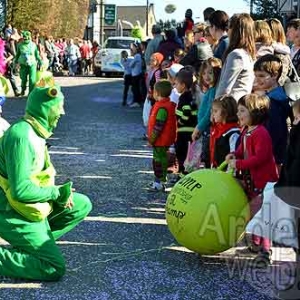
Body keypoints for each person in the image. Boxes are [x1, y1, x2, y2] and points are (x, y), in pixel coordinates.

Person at [0, 83, 92, 281]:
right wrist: (56, 193)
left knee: (81, 204)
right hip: (9, 209)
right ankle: (32, 248)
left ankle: (30, 245)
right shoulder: (21, 136)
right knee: (53, 267)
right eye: (57, 109)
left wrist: (60, 193)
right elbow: (21, 191)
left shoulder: (34, 131)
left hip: (26, 205)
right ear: (43, 109)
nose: (61, 114)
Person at [226, 93, 278, 267]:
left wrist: (238, 163)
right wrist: (234, 155)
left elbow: (261, 158)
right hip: (252, 181)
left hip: (264, 183)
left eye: (242, 111)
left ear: (255, 112)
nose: (238, 115)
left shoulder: (260, 133)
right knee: (254, 214)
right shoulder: (247, 131)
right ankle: (256, 245)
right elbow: (242, 150)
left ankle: (265, 251)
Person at [253, 54, 291, 172]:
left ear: (274, 75)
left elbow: (275, 132)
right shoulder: (271, 97)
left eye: (262, 76)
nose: (257, 80)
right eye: (256, 76)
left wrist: (263, 153)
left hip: (272, 157)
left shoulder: (274, 102)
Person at [215, 13, 255, 101]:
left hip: (231, 108)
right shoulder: (248, 54)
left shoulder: (236, 55)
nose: (227, 31)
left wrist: (214, 109)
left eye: (228, 28)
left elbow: (225, 87)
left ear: (235, 30)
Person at [191, 57, 222, 167]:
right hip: (205, 130)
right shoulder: (210, 89)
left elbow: (210, 112)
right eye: (204, 73)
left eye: (210, 72)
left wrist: (198, 128)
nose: (206, 76)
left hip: (208, 129)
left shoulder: (214, 91)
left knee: (207, 157)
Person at [147, 80, 177, 192]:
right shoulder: (165, 105)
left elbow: (158, 127)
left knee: (158, 161)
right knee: (159, 160)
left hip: (160, 141)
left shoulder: (162, 108)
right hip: (162, 140)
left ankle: (159, 182)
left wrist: (151, 140)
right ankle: (158, 181)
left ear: (157, 93)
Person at [174, 68, 198, 174]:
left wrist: (180, 122)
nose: (175, 87)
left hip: (184, 130)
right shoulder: (191, 95)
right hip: (191, 130)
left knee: (182, 152)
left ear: (183, 85)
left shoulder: (184, 97)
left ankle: (182, 173)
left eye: (176, 84)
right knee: (188, 153)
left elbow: (186, 111)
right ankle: (184, 172)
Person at [210, 95, 240, 168]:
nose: (213, 114)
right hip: (217, 170)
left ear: (225, 112)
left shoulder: (233, 132)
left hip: (226, 174)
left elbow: (234, 156)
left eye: (215, 111)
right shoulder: (217, 129)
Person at [14, 31, 42, 96]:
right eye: (24, 36)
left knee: (32, 80)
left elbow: (37, 55)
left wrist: (40, 61)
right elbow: (17, 55)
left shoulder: (33, 45)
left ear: (30, 37)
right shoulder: (19, 45)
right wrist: (15, 62)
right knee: (23, 79)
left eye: (27, 36)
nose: (25, 37)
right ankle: (23, 90)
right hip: (23, 65)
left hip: (32, 64)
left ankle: (30, 93)